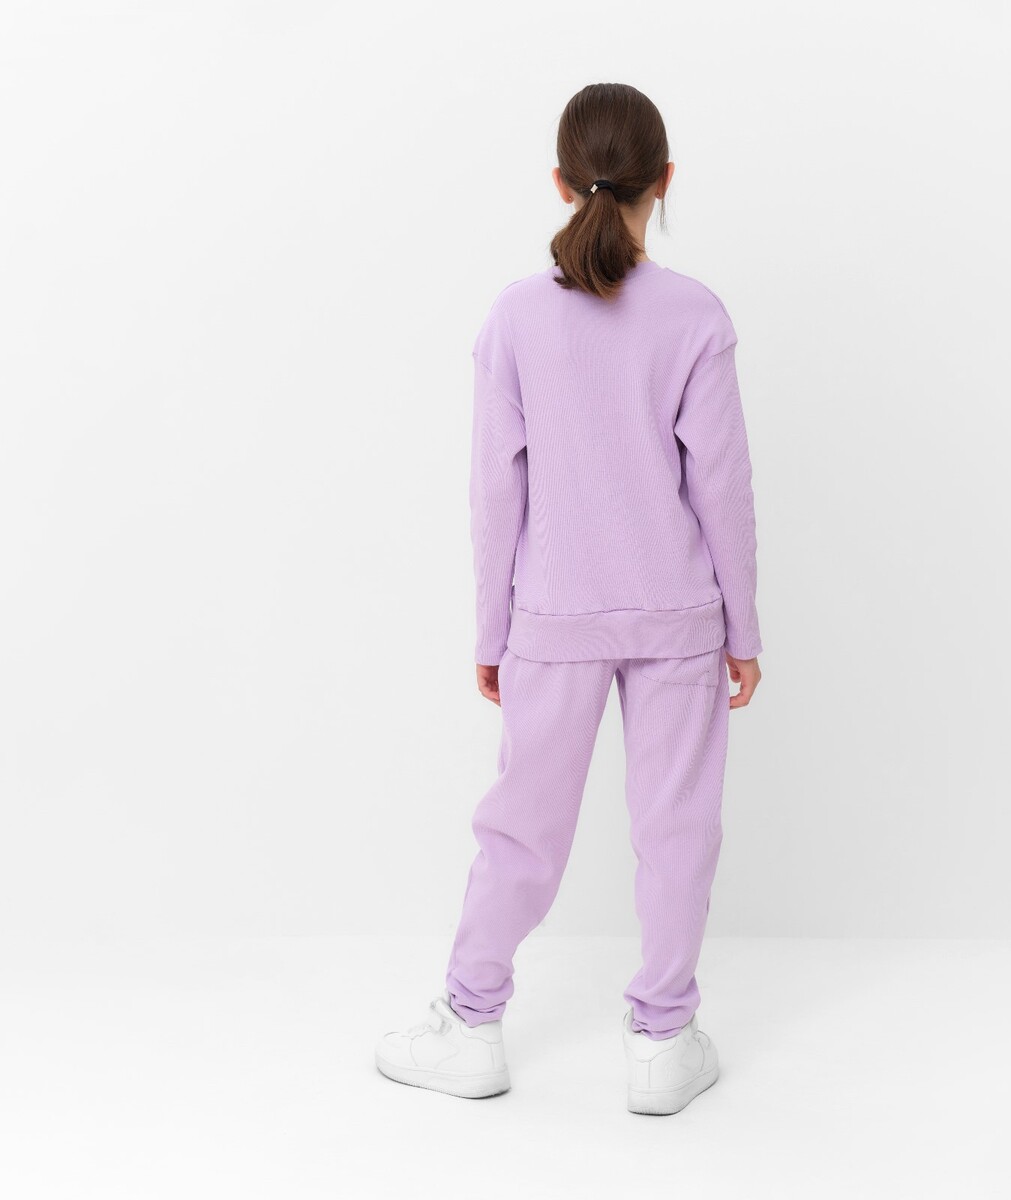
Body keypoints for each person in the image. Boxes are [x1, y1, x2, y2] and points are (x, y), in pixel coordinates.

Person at [375, 82, 763, 1116]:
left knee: (522, 830)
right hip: (679, 619)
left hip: (551, 616)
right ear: (664, 182)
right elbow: (723, 487)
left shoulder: (514, 317)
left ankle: (471, 1025)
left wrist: (491, 629)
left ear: (560, 182)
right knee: (678, 829)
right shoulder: (696, 315)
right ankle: (663, 1041)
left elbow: (494, 491)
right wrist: (744, 627)